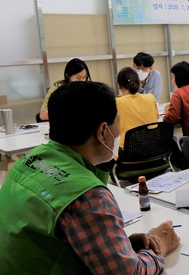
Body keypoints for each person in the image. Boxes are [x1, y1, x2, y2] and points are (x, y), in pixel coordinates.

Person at [0, 81, 179, 274]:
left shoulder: (28, 160)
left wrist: (121, 245)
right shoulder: (87, 196)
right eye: (118, 121)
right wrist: (159, 244)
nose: (119, 131)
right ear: (103, 131)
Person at [115, 67, 159, 149]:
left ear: (119, 86)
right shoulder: (150, 98)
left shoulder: (117, 102)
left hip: (129, 156)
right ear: (139, 83)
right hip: (154, 151)